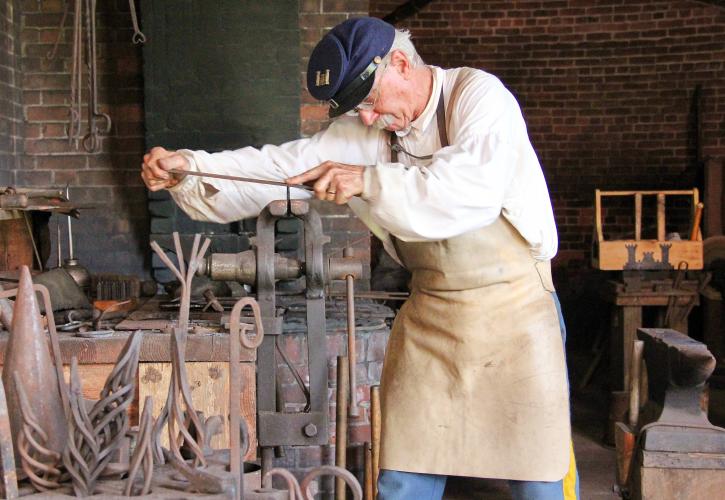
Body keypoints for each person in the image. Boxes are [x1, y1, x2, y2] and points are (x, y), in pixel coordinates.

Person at [141, 16, 579, 500]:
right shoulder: (373, 130)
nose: (367, 117)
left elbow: (471, 188)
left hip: (515, 314)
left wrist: (367, 181)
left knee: (538, 475)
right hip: (433, 317)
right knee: (403, 476)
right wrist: (192, 169)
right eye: (358, 108)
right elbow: (282, 165)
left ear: (399, 63)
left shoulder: (477, 96)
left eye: (370, 100)